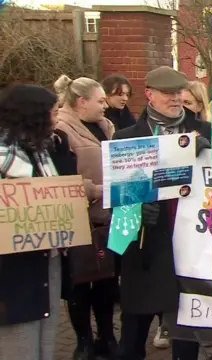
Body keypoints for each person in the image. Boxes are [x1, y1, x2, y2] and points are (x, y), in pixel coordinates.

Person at [114, 66, 212, 360]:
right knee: (132, 339)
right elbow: (117, 203)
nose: (176, 98)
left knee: (186, 343)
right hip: (144, 250)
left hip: (189, 252)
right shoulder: (127, 138)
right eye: (168, 93)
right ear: (149, 95)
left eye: (179, 92)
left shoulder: (205, 133)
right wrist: (136, 207)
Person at [54, 75, 118, 360]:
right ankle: (83, 341)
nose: (105, 106)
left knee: (106, 281)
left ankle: (107, 335)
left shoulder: (107, 126)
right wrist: (96, 189)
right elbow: (59, 178)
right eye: (100, 100)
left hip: (107, 216)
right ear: (82, 102)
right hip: (81, 217)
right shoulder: (61, 129)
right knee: (79, 283)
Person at [0, 84, 63, 360]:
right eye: (54, 111)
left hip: (45, 259)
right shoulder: (4, 157)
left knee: (45, 342)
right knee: (19, 345)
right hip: (12, 270)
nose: (58, 116)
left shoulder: (40, 151)